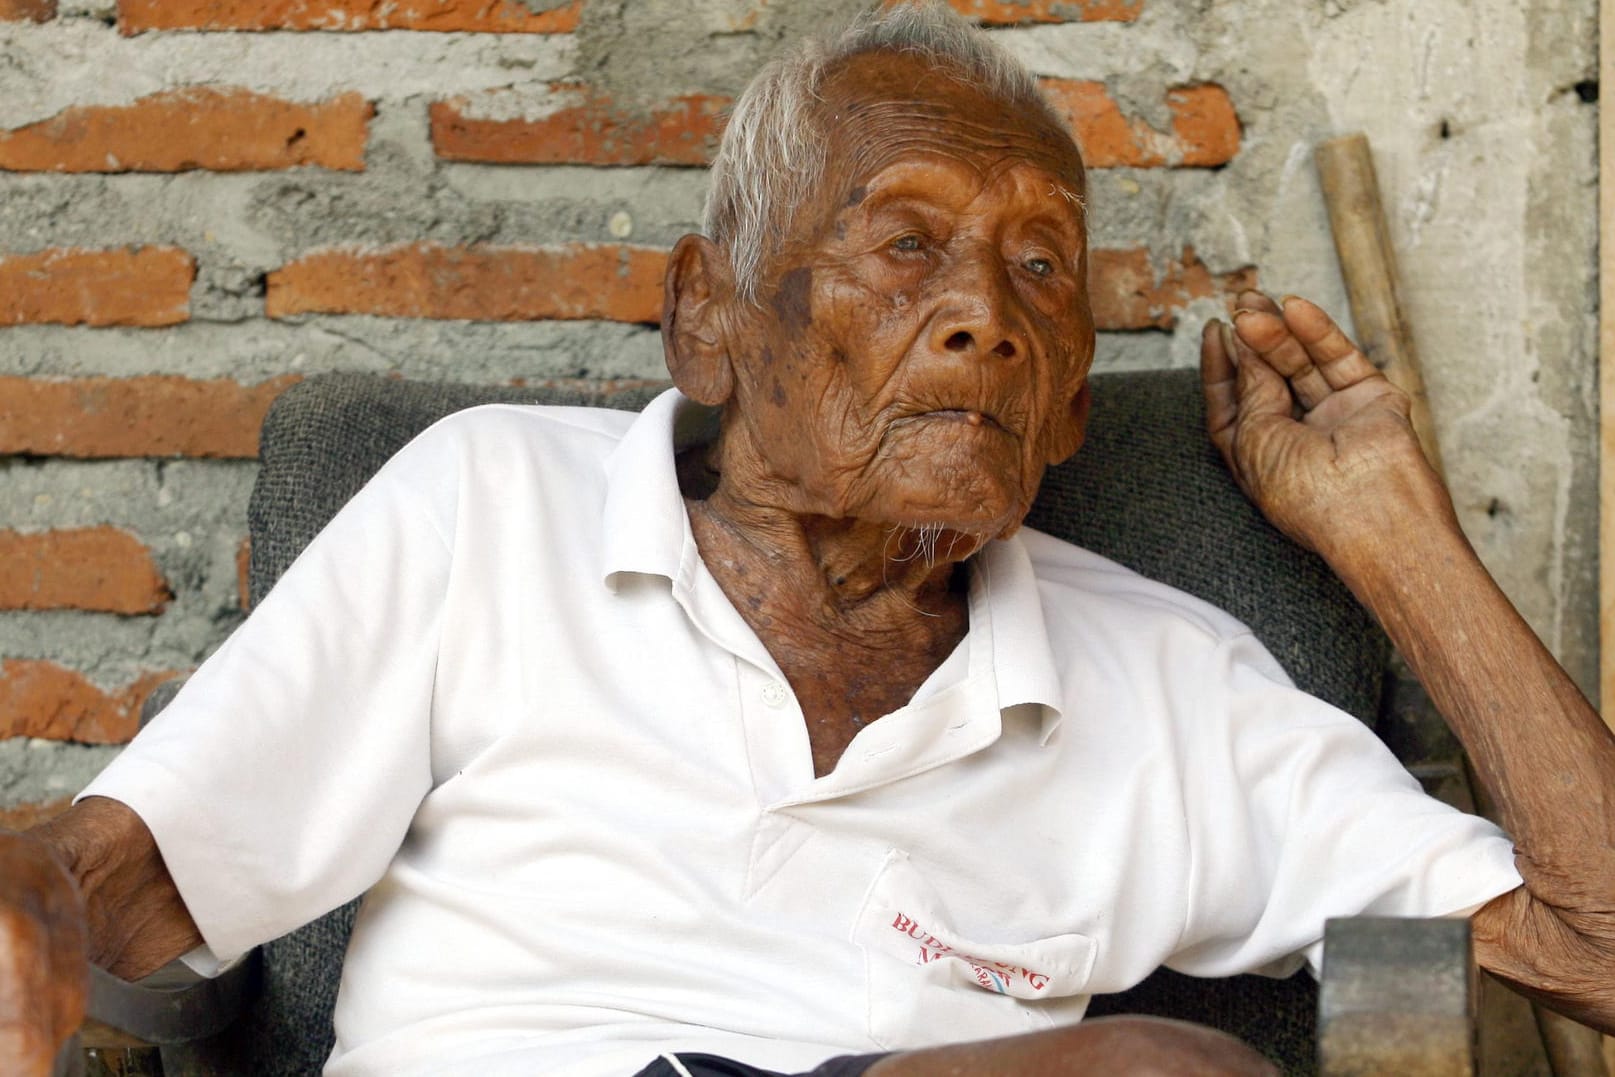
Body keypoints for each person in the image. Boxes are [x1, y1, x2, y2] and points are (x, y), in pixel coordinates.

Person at [4, 4, 1614, 1075]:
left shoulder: (1170, 680)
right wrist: (25, 901)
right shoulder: (488, 503)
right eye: (905, 246)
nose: (982, 318)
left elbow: (1594, 941)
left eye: (1042, 273)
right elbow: (125, 882)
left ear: (1065, 410)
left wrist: (1395, 531)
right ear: (709, 323)